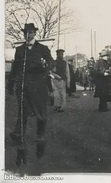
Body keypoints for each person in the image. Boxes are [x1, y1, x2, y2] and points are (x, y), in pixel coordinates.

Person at [8, 23, 55, 162]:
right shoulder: (20, 49)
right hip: (23, 86)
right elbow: (15, 67)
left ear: (34, 33)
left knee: (41, 113)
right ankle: (19, 135)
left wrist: (45, 66)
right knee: (22, 112)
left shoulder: (43, 49)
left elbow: (51, 63)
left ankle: (40, 135)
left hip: (39, 86)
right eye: (25, 33)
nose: (27, 35)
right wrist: (11, 83)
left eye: (30, 32)